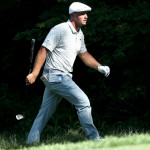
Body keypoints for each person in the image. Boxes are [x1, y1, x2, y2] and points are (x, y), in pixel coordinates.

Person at [26, 2, 110, 144]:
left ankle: (31, 142)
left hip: (56, 77)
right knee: (83, 102)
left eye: (86, 13)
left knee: (45, 112)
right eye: (82, 13)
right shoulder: (60, 29)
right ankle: (94, 139)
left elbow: (84, 54)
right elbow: (43, 50)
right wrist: (34, 74)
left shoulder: (79, 34)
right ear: (72, 16)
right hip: (57, 76)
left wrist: (99, 66)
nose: (86, 16)